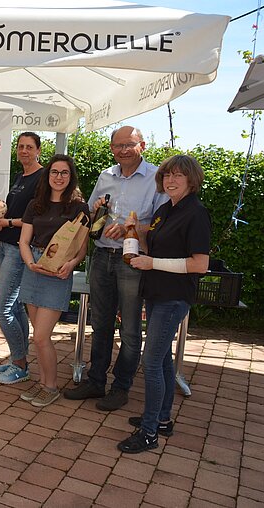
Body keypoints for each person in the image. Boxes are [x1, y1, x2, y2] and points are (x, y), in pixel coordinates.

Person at [64, 126, 168, 411]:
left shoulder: (156, 178)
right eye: (117, 145)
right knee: (100, 324)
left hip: (132, 260)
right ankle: (96, 381)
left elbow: (162, 223)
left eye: (129, 145)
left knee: (131, 330)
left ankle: (121, 387)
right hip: (102, 256)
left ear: (142, 146)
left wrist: (133, 228)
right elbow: (90, 212)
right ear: (111, 148)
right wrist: (97, 207)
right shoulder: (105, 176)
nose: (122, 150)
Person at [117, 155, 210, 453]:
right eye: (167, 175)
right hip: (156, 292)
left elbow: (199, 265)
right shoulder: (165, 209)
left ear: (192, 180)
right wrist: (136, 232)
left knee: (152, 362)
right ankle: (162, 420)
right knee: (163, 360)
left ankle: (148, 433)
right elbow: (152, 243)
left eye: (178, 176)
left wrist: (152, 261)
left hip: (174, 297)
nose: (170, 180)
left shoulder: (196, 214)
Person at [17, 155, 89, 407]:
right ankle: (43, 383)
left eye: (64, 173)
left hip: (58, 272)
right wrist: (29, 263)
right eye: (54, 172)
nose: (59, 177)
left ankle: (51, 386)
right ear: (47, 176)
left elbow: (81, 248)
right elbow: (24, 241)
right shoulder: (35, 205)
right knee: (39, 336)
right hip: (34, 267)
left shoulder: (79, 208)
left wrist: (71, 265)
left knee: (40, 337)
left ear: (71, 177)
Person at [0, 132, 44, 385]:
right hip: (6, 244)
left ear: (38, 150)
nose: (24, 151)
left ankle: (20, 365)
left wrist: (7, 221)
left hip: (20, 250)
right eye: (20, 146)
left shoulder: (42, 178)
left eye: (29, 147)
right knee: (14, 307)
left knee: (1, 308)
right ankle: (17, 359)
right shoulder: (21, 176)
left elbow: (36, 218)